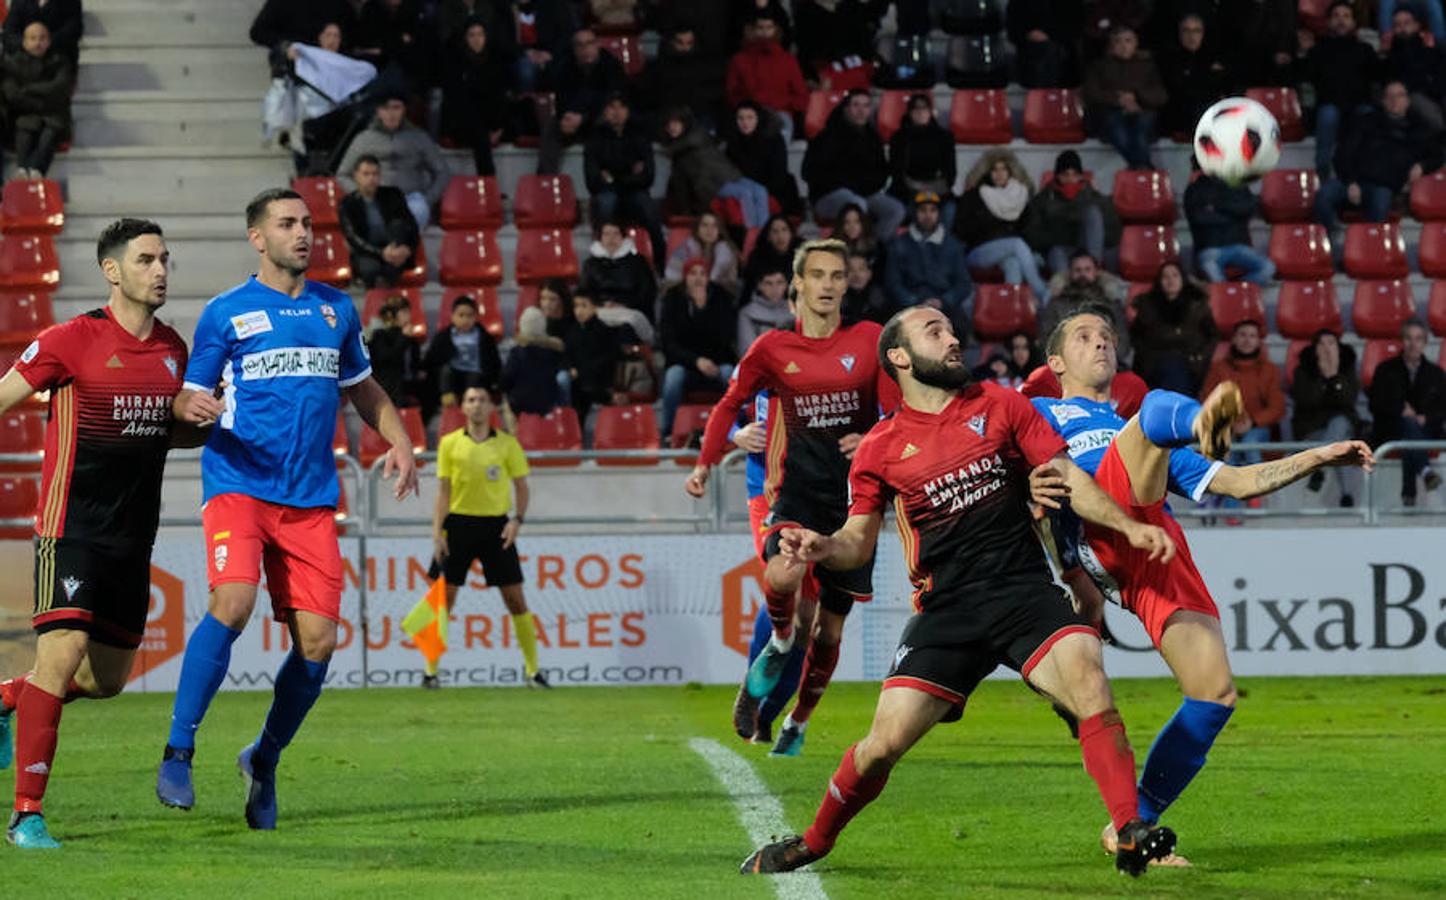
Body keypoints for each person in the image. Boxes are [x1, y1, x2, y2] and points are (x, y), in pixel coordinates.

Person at [740, 304, 1182, 877]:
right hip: (946, 611)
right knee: (881, 746)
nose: (953, 340)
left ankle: (1129, 830)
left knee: (1089, 676)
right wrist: (822, 547)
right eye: (935, 332)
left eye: (950, 329)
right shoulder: (879, 446)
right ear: (899, 357)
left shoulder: (1002, 405)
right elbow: (856, 540)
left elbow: (1067, 477)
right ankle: (814, 843)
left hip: (1023, 593)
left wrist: (1127, 526)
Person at [1031, 306, 1374, 859]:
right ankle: (1204, 424)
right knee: (1155, 411)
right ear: (1055, 362)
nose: (1100, 344)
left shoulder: (1135, 435)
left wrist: (1319, 455)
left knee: (1214, 695)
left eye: (1107, 337)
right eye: (1084, 337)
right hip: (1104, 530)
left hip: (1155, 551)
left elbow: (1238, 483)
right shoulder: (1042, 412)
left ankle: (1134, 825)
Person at [155, 188, 420, 829]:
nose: (303, 233)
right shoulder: (226, 313)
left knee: (320, 642)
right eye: (287, 224)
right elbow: (187, 402)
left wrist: (403, 440)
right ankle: (178, 750)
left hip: (309, 500)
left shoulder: (335, 311)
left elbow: (363, 389)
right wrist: (190, 409)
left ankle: (263, 760)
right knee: (234, 601)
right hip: (239, 484)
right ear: (257, 237)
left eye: (306, 222)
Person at [0, 220, 190, 849]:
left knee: (104, 681)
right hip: (71, 529)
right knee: (59, 659)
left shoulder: (173, 350)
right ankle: (27, 814)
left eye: (164, 259)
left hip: (133, 540)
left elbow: (167, 431)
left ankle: (5, 698)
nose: (160, 270)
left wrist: (206, 424)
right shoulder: (70, 339)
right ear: (113, 271)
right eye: (145, 260)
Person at [686, 239, 901, 757]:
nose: (828, 285)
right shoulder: (773, 350)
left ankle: (798, 721)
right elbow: (729, 403)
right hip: (797, 494)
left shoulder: (871, 339)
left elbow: (898, 415)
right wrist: (703, 464)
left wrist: (872, 435)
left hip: (856, 503)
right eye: (818, 275)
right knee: (782, 577)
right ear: (796, 284)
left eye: (837, 276)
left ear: (846, 285)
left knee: (828, 631)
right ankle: (779, 641)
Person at [428, 385, 547, 689]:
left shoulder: (508, 444)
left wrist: (517, 520)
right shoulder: (449, 444)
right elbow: (443, 490)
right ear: (463, 408)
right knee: (443, 601)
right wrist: (437, 532)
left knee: (515, 600)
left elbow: (522, 487)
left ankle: (533, 671)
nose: (477, 405)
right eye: (470, 400)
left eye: (482, 399)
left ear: (491, 406)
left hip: (496, 527)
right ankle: (431, 673)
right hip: (457, 526)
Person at [1315, 81, 1443, 232]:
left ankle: (1371, 249)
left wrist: (1422, 166)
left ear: (1407, 101)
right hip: (1352, 182)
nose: (1394, 100)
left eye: (1399, 96)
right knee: (1323, 196)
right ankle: (1327, 242)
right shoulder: (1366, 121)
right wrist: (1350, 182)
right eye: (1389, 96)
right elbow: (1343, 154)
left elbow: (1438, 156)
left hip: (1383, 186)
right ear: (1383, 101)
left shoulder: (1418, 129)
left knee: (1380, 203)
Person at [1201, 319, 1285, 519]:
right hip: (1226, 427)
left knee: (1249, 441)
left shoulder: (1269, 369)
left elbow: (1277, 407)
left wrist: (1252, 422)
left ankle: (1241, 502)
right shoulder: (1219, 368)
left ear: (1259, 341)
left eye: (1252, 336)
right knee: (1231, 448)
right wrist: (1229, 422)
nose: (1247, 340)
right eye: (1243, 335)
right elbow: (1208, 402)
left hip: (1258, 428)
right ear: (1234, 340)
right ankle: (1244, 502)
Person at [802, 90, 907, 242]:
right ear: (846, 108)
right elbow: (809, 172)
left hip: (865, 194)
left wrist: (864, 186)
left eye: (866, 106)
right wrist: (847, 184)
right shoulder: (826, 136)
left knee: (895, 210)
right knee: (857, 206)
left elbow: (881, 173)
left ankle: (874, 249)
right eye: (856, 105)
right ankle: (853, 250)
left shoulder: (872, 137)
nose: (861, 110)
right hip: (827, 196)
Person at [336, 93, 450, 230]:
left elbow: (442, 172)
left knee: (416, 212)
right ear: (378, 111)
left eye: (396, 108)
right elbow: (342, 174)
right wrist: (362, 195)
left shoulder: (419, 137)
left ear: (404, 110)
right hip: (375, 199)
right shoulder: (364, 139)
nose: (391, 114)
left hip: (411, 200)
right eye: (385, 108)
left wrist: (427, 199)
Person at [583, 94, 666, 274]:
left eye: (621, 107)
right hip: (609, 192)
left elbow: (648, 176)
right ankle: (602, 265)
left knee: (649, 209)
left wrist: (613, 177)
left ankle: (661, 268)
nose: (616, 112)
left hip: (633, 192)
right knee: (606, 203)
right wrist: (630, 173)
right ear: (605, 111)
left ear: (628, 111)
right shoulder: (595, 137)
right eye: (612, 107)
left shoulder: (639, 135)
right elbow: (592, 179)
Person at [1297, 2, 1380, 178]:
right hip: (1329, 106)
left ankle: (1365, 178)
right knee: (1328, 114)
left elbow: (1380, 77)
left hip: (1358, 106)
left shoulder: (1365, 50)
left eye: (1346, 16)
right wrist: (1304, 54)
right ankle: (1323, 174)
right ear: (1328, 22)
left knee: (1367, 114)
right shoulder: (1318, 50)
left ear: (1354, 23)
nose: (1341, 20)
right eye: (1336, 16)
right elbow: (1303, 77)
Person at [1368, 318, 1446, 506]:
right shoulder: (1385, 370)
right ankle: (1425, 473)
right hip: (1391, 428)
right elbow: (1375, 404)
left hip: (1426, 428)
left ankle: (1409, 494)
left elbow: (1443, 408)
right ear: (1402, 341)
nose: (1413, 344)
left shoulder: (1436, 373)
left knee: (1409, 433)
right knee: (1408, 428)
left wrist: (1424, 417)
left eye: (1418, 339)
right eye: (1409, 338)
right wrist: (1400, 410)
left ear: (1425, 343)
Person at [956, 149, 1051, 301]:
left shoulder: (1020, 195)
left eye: (1004, 169)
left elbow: (1029, 228)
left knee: (1013, 263)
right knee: (1016, 244)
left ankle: (1010, 308)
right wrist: (988, 229)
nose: (999, 173)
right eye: (994, 169)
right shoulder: (974, 195)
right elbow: (960, 230)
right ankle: (1042, 292)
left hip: (1010, 250)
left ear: (1010, 171)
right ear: (987, 171)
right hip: (978, 250)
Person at [659, 259, 737, 437]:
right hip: (684, 364)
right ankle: (668, 432)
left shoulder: (721, 297)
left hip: (716, 363)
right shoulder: (672, 299)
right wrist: (696, 361)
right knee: (672, 378)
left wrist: (702, 311)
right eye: (693, 273)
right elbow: (669, 343)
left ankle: (734, 429)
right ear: (685, 277)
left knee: (729, 374)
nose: (698, 278)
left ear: (708, 277)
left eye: (702, 274)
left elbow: (726, 338)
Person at [659, 108, 772, 229]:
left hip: (729, 175)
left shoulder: (697, 135)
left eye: (676, 123)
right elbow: (681, 183)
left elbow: (689, 142)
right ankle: (752, 231)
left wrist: (668, 151)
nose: (672, 127)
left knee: (760, 190)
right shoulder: (680, 155)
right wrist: (686, 209)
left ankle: (763, 230)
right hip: (712, 184)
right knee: (745, 193)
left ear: (684, 123)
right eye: (669, 125)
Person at [536, 27, 628, 175]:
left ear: (597, 45)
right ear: (574, 49)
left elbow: (611, 99)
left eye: (589, 43)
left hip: (596, 119)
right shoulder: (565, 66)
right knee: (551, 129)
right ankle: (546, 182)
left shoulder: (611, 65)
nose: (585, 49)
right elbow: (561, 99)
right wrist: (566, 116)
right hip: (574, 121)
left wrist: (584, 117)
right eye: (580, 45)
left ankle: (608, 180)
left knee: (609, 118)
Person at [882, 192, 973, 329]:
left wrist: (943, 301)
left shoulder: (953, 245)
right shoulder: (898, 244)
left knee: (960, 328)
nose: (928, 215)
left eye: (932, 210)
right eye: (923, 210)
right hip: (908, 308)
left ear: (939, 214)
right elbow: (892, 283)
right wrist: (916, 302)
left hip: (945, 307)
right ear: (915, 213)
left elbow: (963, 283)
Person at [1292, 329, 1363, 505]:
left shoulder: (1347, 369)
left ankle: (1321, 469)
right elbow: (1307, 402)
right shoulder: (1303, 371)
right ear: (1315, 349)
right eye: (1321, 344)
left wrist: (1334, 378)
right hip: (1312, 429)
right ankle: (1347, 496)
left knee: (1339, 423)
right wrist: (1323, 379)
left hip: (1339, 426)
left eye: (1331, 343)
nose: (1327, 349)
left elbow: (1348, 402)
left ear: (1338, 347)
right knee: (1341, 443)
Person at [1082, 25, 1167, 170]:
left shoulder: (1147, 66)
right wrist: (1119, 99)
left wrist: (1136, 97)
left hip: (1140, 110)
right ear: (1111, 45)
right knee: (1118, 130)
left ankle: (1141, 167)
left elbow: (1161, 95)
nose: (1123, 46)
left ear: (1135, 44)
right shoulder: (1099, 66)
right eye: (1118, 41)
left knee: (1142, 129)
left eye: (1128, 41)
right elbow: (1091, 93)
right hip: (1110, 113)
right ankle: (1144, 167)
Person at [1025, 150, 1122, 274]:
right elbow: (1032, 235)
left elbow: (1114, 231)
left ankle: (1091, 270)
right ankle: (1066, 288)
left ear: (1081, 176)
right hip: (1060, 248)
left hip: (1090, 248)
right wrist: (1060, 236)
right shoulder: (1042, 200)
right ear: (1057, 176)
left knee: (1092, 212)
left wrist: (1087, 231)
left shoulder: (1094, 197)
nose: (1070, 179)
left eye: (1075, 174)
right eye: (1065, 174)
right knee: (1057, 252)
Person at [441, 16, 512, 177]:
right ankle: (489, 183)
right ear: (465, 38)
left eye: (480, 34)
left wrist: (497, 128)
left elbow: (501, 97)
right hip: (463, 122)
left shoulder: (496, 62)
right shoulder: (455, 64)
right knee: (480, 136)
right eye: (471, 35)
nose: (476, 39)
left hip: (492, 121)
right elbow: (458, 102)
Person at [1, 22, 74, 180]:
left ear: (49, 41)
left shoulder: (60, 61)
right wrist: (40, 101)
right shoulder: (12, 63)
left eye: (42, 38)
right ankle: (22, 168)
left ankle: (36, 169)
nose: (38, 43)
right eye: (32, 38)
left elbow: (60, 88)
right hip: (26, 112)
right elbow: (12, 95)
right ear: (25, 42)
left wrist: (29, 89)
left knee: (51, 131)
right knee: (24, 127)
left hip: (54, 114)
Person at [1130, 262, 1216, 394]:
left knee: (1176, 371)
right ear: (1159, 281)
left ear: (1182, 279)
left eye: (1175, 275)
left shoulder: (1198, 305)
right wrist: (1147, 359)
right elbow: (1136, 336)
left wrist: (1199, 359)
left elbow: (1212, 336)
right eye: (1165, 276)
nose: (1170, 280)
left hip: (1191, 363)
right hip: (1155, 363)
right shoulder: (1148, 306)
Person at [1038, 251, 1133, 367]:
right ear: (1070, 273)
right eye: (1078, 270)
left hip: (1105, 367)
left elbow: (1122, 340)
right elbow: (1047, 340)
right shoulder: (1056, 304)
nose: (1082, 274)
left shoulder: (1111, 303)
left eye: (1087, 269)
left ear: (1096, 272)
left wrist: (1103, 359)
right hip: (1068, 368)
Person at [724, 12, 808, 143]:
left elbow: (801, 97)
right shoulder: (739, 60)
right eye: (760, 28)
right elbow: (731, 94)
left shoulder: (787, 60)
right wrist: (750, 106)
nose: (764, 32)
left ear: (776, 30)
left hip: (780, 114)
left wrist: (780, 103)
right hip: (749, 115)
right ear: (751, 30)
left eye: (769, 27)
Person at [338, 154, 419, 288]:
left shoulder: (393, 194)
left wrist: (408, 248)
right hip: (368, 251)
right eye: (366, 174)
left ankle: (386, 299)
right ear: (356, 176)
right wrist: (381, 253)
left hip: (395, 248)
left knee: (397, 229)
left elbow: (411, 225)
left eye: (375, 174)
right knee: (370, 269)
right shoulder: (347, 204)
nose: (371, 178)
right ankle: (376, 301)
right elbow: (353, 238)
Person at [1185, 167, 1275, 285]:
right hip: (1210, 248)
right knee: (1213, 273)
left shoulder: (1238, 185)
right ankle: (1229, 295)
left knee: (1268, 268)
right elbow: (1198, 218)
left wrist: (1218, 207)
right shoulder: (1196, 188)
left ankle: (1235, 293)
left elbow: (1249, 208)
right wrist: (1234, 215)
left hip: (1238, 245)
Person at [423, 295, 503, 413]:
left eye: (469, 316)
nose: (465, 320)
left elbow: (494, 362)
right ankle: (448, 400)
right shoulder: (443, 336)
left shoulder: (485, 337)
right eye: (461, 315)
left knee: (475, 378)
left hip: (475, 375)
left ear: (475, 317)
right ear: (453, 317)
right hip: (453, 376)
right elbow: (431, 360)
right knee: (446, 371)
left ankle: (470, 403)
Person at [887, 94, 957, 224]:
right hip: (906, 191)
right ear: (909, 113)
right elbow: (896, 173)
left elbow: (950, 174)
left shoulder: (945, 137)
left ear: (930, 112)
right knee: (905, 209)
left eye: (924, 108)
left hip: (938, 190)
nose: (920, 112)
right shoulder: (899, 138)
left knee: (950, 211)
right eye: (916, 109)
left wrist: (931, 193)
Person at [723, 100, 801, 216]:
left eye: (750, 118)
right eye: (741, 118)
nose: (745, 122)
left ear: (758, 118)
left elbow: (778, 173)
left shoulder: (773, 139)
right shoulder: (733, 141)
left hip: (773, 191)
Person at [643, 26, 727, 131]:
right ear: (671, 42)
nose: (685, 47)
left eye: (689, 43)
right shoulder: (658, 67)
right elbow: (648, 94)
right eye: (680, 42)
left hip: (699, 116)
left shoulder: (705, 65)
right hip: (669, 119)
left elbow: (716, 90)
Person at [1157, 14, 1228, 138]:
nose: (1191, 36)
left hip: (1208, 110)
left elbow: (1222, 85)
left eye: (1196, 31)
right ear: (1179, 33)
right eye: (1186, 31)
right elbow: (1178, 88)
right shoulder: (1169, 58)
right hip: (1181, 113)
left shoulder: (1213, 56)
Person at [580, 220, 658, 323]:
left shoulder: (638, 262)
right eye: (606, 234)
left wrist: (624, 305)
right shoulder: (590, 264)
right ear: (600, 238)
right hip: (601, 311)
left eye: (616, 233)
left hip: (632, 312)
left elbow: (648, 292)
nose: (611, 238)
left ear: (623, 237)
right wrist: (603, 305)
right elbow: (585, 292)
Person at [1382, 4, 1445, 132]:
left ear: (1417, 26)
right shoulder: (1391, 55)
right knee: (1428, 112)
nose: (1402, 28)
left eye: (1407, 23)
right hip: (1412, 94)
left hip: (1435, 90)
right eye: (1397, 25)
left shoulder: (1430, 50)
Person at [502, 307, 565, 416]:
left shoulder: (516, 353)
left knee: (506, 402)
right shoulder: (553, 352)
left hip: (519, 405)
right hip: (547, 404)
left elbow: (506, 378)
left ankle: (515, 431)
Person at [1006, 0, 1083, 88]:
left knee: (1053, 53)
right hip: (1032, 53)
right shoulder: (1020, 3)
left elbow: (1076, 25)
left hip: (1063, 52)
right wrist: (1029, 34)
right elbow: (1013, 28)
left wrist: (1050, 36)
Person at [365, 294, 422, 407]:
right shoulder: (380, 335)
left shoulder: (410, 337)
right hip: (388, 384)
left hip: (407, 383)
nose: (409, 316)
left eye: (408, 312)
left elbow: (415, 362)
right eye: (404, 312)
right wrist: (404, 338)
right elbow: (388, 359)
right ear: (391, 315)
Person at [665, 212, 741, 294]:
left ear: (719, 230)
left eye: (714, 226)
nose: (709, 230)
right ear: (697, 229)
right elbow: (671, 278)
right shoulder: (685, 249)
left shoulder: (725, 250)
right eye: (705, 225)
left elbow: (720, 280)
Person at [3, 0, 81, 64]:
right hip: (23, 57)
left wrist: (47, 42)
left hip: (57, 56)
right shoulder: (19, 2)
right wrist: (25, 43)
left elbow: (74, 29)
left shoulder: (70, 2)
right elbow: (9, 32)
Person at [736, 267, 793, 354]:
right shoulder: (748, 313)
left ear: (786, 284)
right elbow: (748, 351)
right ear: (760, 286)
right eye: (768, 283)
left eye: (780, 282)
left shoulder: (795, 310)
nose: (775, 288)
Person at [742, 214, 801, 295]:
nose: (780, 236)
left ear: (791, 234)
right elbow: (749, 287)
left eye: (784, 230)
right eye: (775, 231)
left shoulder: (803, 254)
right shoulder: (757, 257)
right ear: (768, 236)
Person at [842, 251, 891, 324]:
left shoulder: (881, 302)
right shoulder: (837, 303)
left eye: (861, 269)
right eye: (851, 270)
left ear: (869, 274)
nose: (856, 275)